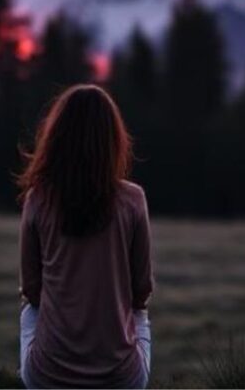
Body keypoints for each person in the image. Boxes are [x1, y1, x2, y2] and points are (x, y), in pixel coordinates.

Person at [16, 84, 154, 389]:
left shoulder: (38, 198)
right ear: (113, 140)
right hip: (121, 381)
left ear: (57, 138)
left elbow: (31, 288)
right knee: (139, 315)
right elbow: (141, 291)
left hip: (47, 378)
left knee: (29, 311)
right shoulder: (133, 200)